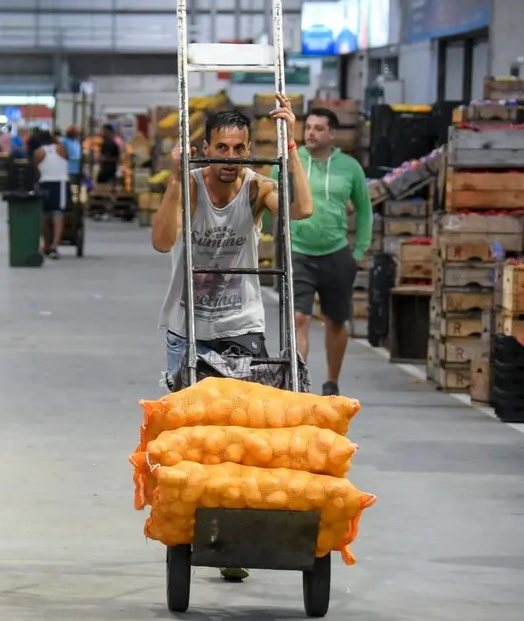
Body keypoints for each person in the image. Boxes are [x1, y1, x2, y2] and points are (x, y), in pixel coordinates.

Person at [152, 96, 313, 583]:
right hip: (189, 332)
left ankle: (232, 541)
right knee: (193, 446)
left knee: (244, 443)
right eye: (220, 148)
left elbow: (300, 210)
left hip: (242, 327)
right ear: (205, 148)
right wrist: (179, 179)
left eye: (240, 148)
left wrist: (294, 147)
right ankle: (193, 533)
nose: (230, 158)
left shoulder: (256, 187)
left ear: (249, 150)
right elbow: (162, 240)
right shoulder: (195, 188)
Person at [275, 107, 372, 397]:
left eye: (319, 128)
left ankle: (331, 382)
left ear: (332, 134)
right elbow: (269, 194)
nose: (311, 133)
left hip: (336, 253)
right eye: (308, 127)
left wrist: (360, 250)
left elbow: (365, 210)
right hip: (298, 251)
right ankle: (299, 386)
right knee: (300, 318)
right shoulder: (291, 160)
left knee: (336, 321)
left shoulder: (350, 167)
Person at [32, 130, 70, 259]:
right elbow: (67, 160)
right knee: (58, 214)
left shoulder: (38, 153)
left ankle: (46, 244)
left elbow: (36, 171)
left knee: (45, 215)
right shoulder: (61, 149)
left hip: (44, 184)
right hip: (61, 184)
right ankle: (54, 245)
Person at [97, 124, 120, 189]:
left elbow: (117, 158)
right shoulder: (103, 143)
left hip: (110, 172)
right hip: (103, 171)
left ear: (109, 132)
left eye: (104, 131)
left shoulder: (113, 145)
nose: (103, 133)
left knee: (106, 190)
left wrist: (105, 159)